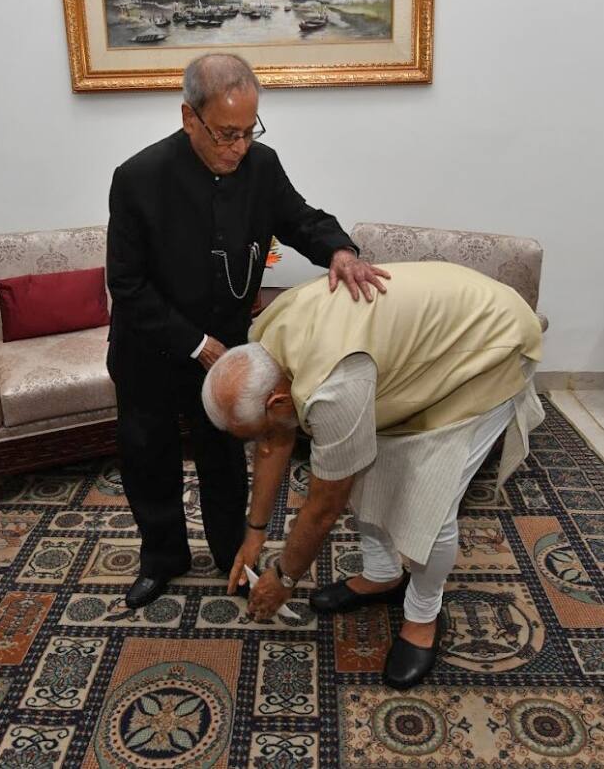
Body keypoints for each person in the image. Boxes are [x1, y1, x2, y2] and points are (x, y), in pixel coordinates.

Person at [106, 53, 389, 609]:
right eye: (226, 134)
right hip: (152, 350)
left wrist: (339, 250)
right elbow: (127, 285)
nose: (239, 147)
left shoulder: (262, 165)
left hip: (229, 351)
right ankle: (162, 558)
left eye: (248, 131)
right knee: (149, 457)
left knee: (223, 461)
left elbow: (301, 218)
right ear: (190, 118)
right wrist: (197, 344)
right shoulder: (138, 179)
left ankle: (233, 554)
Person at [201, 262, 544, 689]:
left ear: (275, 403)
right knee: (366, 469)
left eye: (258, 434)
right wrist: (254, 535)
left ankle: (422, 614)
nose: (261, 446)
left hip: (488, 348)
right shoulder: (264, 342)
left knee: (431, 500)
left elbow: (324, 508)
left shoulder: (332, 389)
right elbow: (278, 440)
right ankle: (384, 574)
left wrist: (284, 578)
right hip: (419, 350)